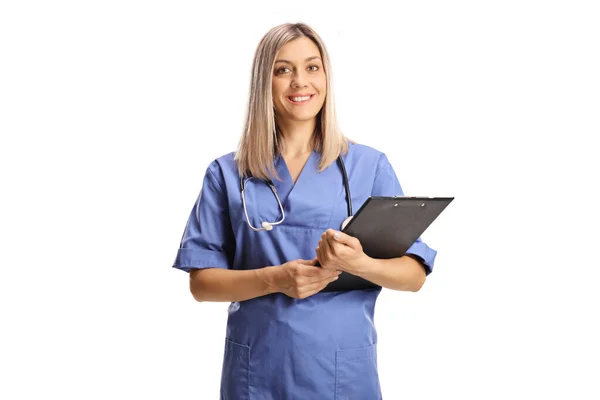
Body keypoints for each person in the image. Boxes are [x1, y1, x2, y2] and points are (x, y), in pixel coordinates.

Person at [173, 22, 438, 400]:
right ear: (264, 82)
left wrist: (360, 264)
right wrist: (273, 280)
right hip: (257, 374)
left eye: (312, 67)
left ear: (326, 77)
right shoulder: (228, 173)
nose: (300, 81)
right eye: (283, 69)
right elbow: (201, 284)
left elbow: (414, 276)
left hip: (342, 375)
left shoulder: (369, 167)